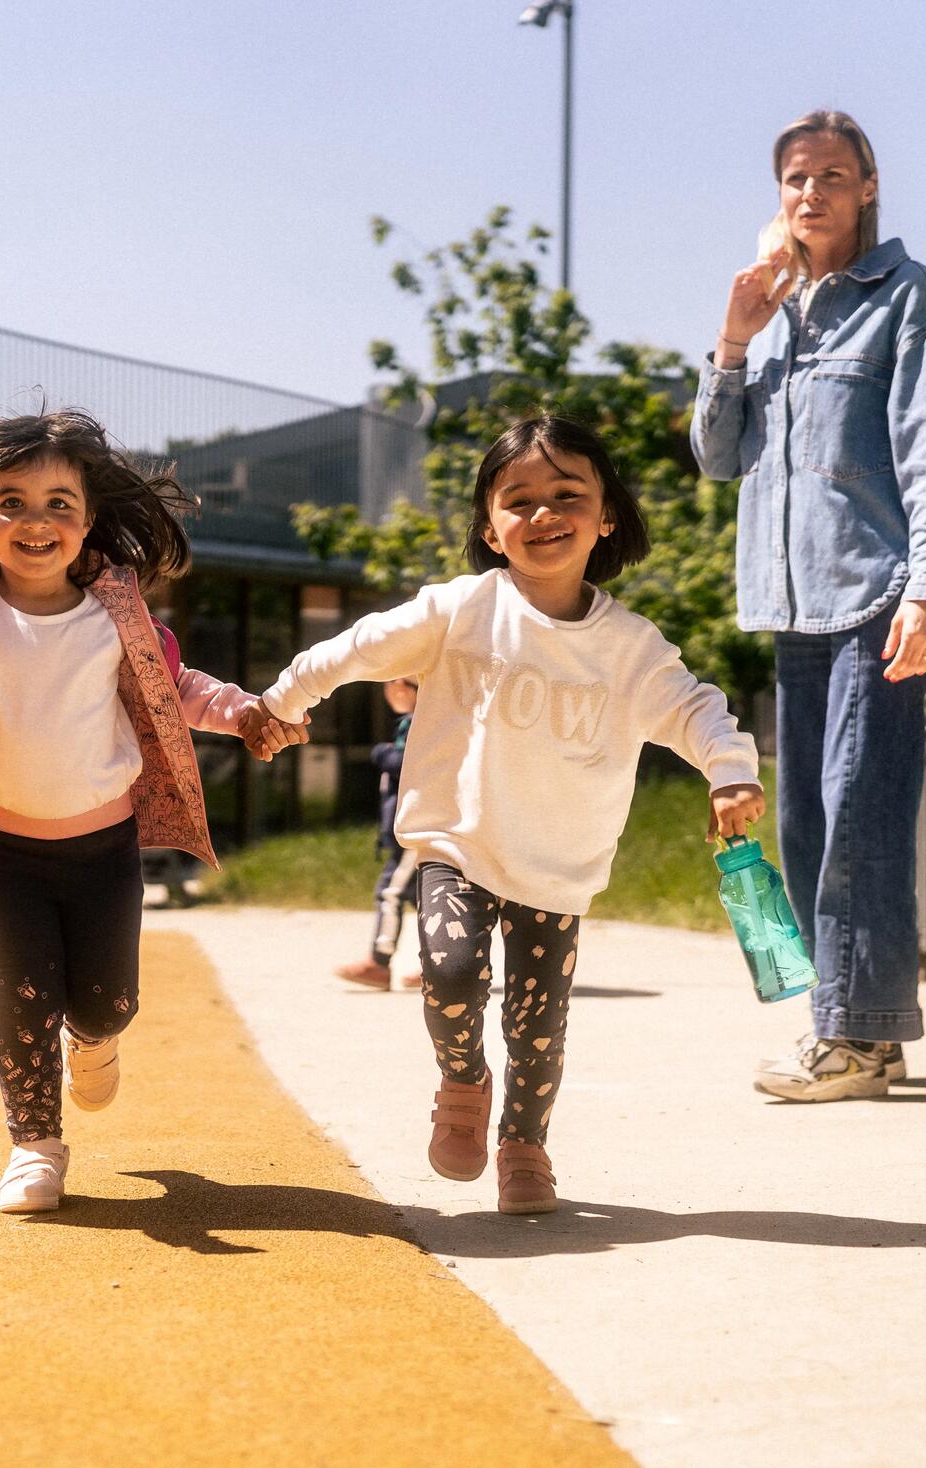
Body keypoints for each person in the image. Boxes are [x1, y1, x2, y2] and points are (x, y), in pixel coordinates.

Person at [242, 416, 762, 1215]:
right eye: (518, 500)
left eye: (567, 495)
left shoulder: (630, 645)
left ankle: (525, 1146)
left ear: (607, 515)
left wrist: (729, 773)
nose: (543, 514)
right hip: (459, 840)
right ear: (490, 525)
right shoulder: (459, 610)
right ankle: (462, 1083)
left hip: (558, 862)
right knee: (448, 973)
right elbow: (354, 648)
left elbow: (696, 709)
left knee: (538, 1023)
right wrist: (280, 703)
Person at [0, 409, 306, 1214]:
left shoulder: (119, 618)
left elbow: (178, 690)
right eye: (11, 502)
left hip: (104, 846)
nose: (34, 522)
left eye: (59, 505)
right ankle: (34, 1146)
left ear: (87, 523)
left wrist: (247, 713)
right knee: (22, 996)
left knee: (108, 999)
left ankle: (98, 1039)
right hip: (1, 847)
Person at [691, 108, 926, 1102]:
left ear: (868, 187)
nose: (813, 192)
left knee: (862, 817)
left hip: (876, 595)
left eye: (834, 175)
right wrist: (732, 339)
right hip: (790, 608)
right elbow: (718, 461)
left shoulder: (907, 299)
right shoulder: (775, 322)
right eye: (797, 178)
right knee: (810, 823)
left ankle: (851, 1039)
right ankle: (860, 1029)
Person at [334, 677, 424, 991]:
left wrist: (382, 754)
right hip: (407, 827)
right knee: (422, 898)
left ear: (404, 688)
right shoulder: (414, 722)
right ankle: (441, 966)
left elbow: (410, 763)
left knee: (391, 892)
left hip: (414, 829)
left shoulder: (420, 722)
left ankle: (379, 963)